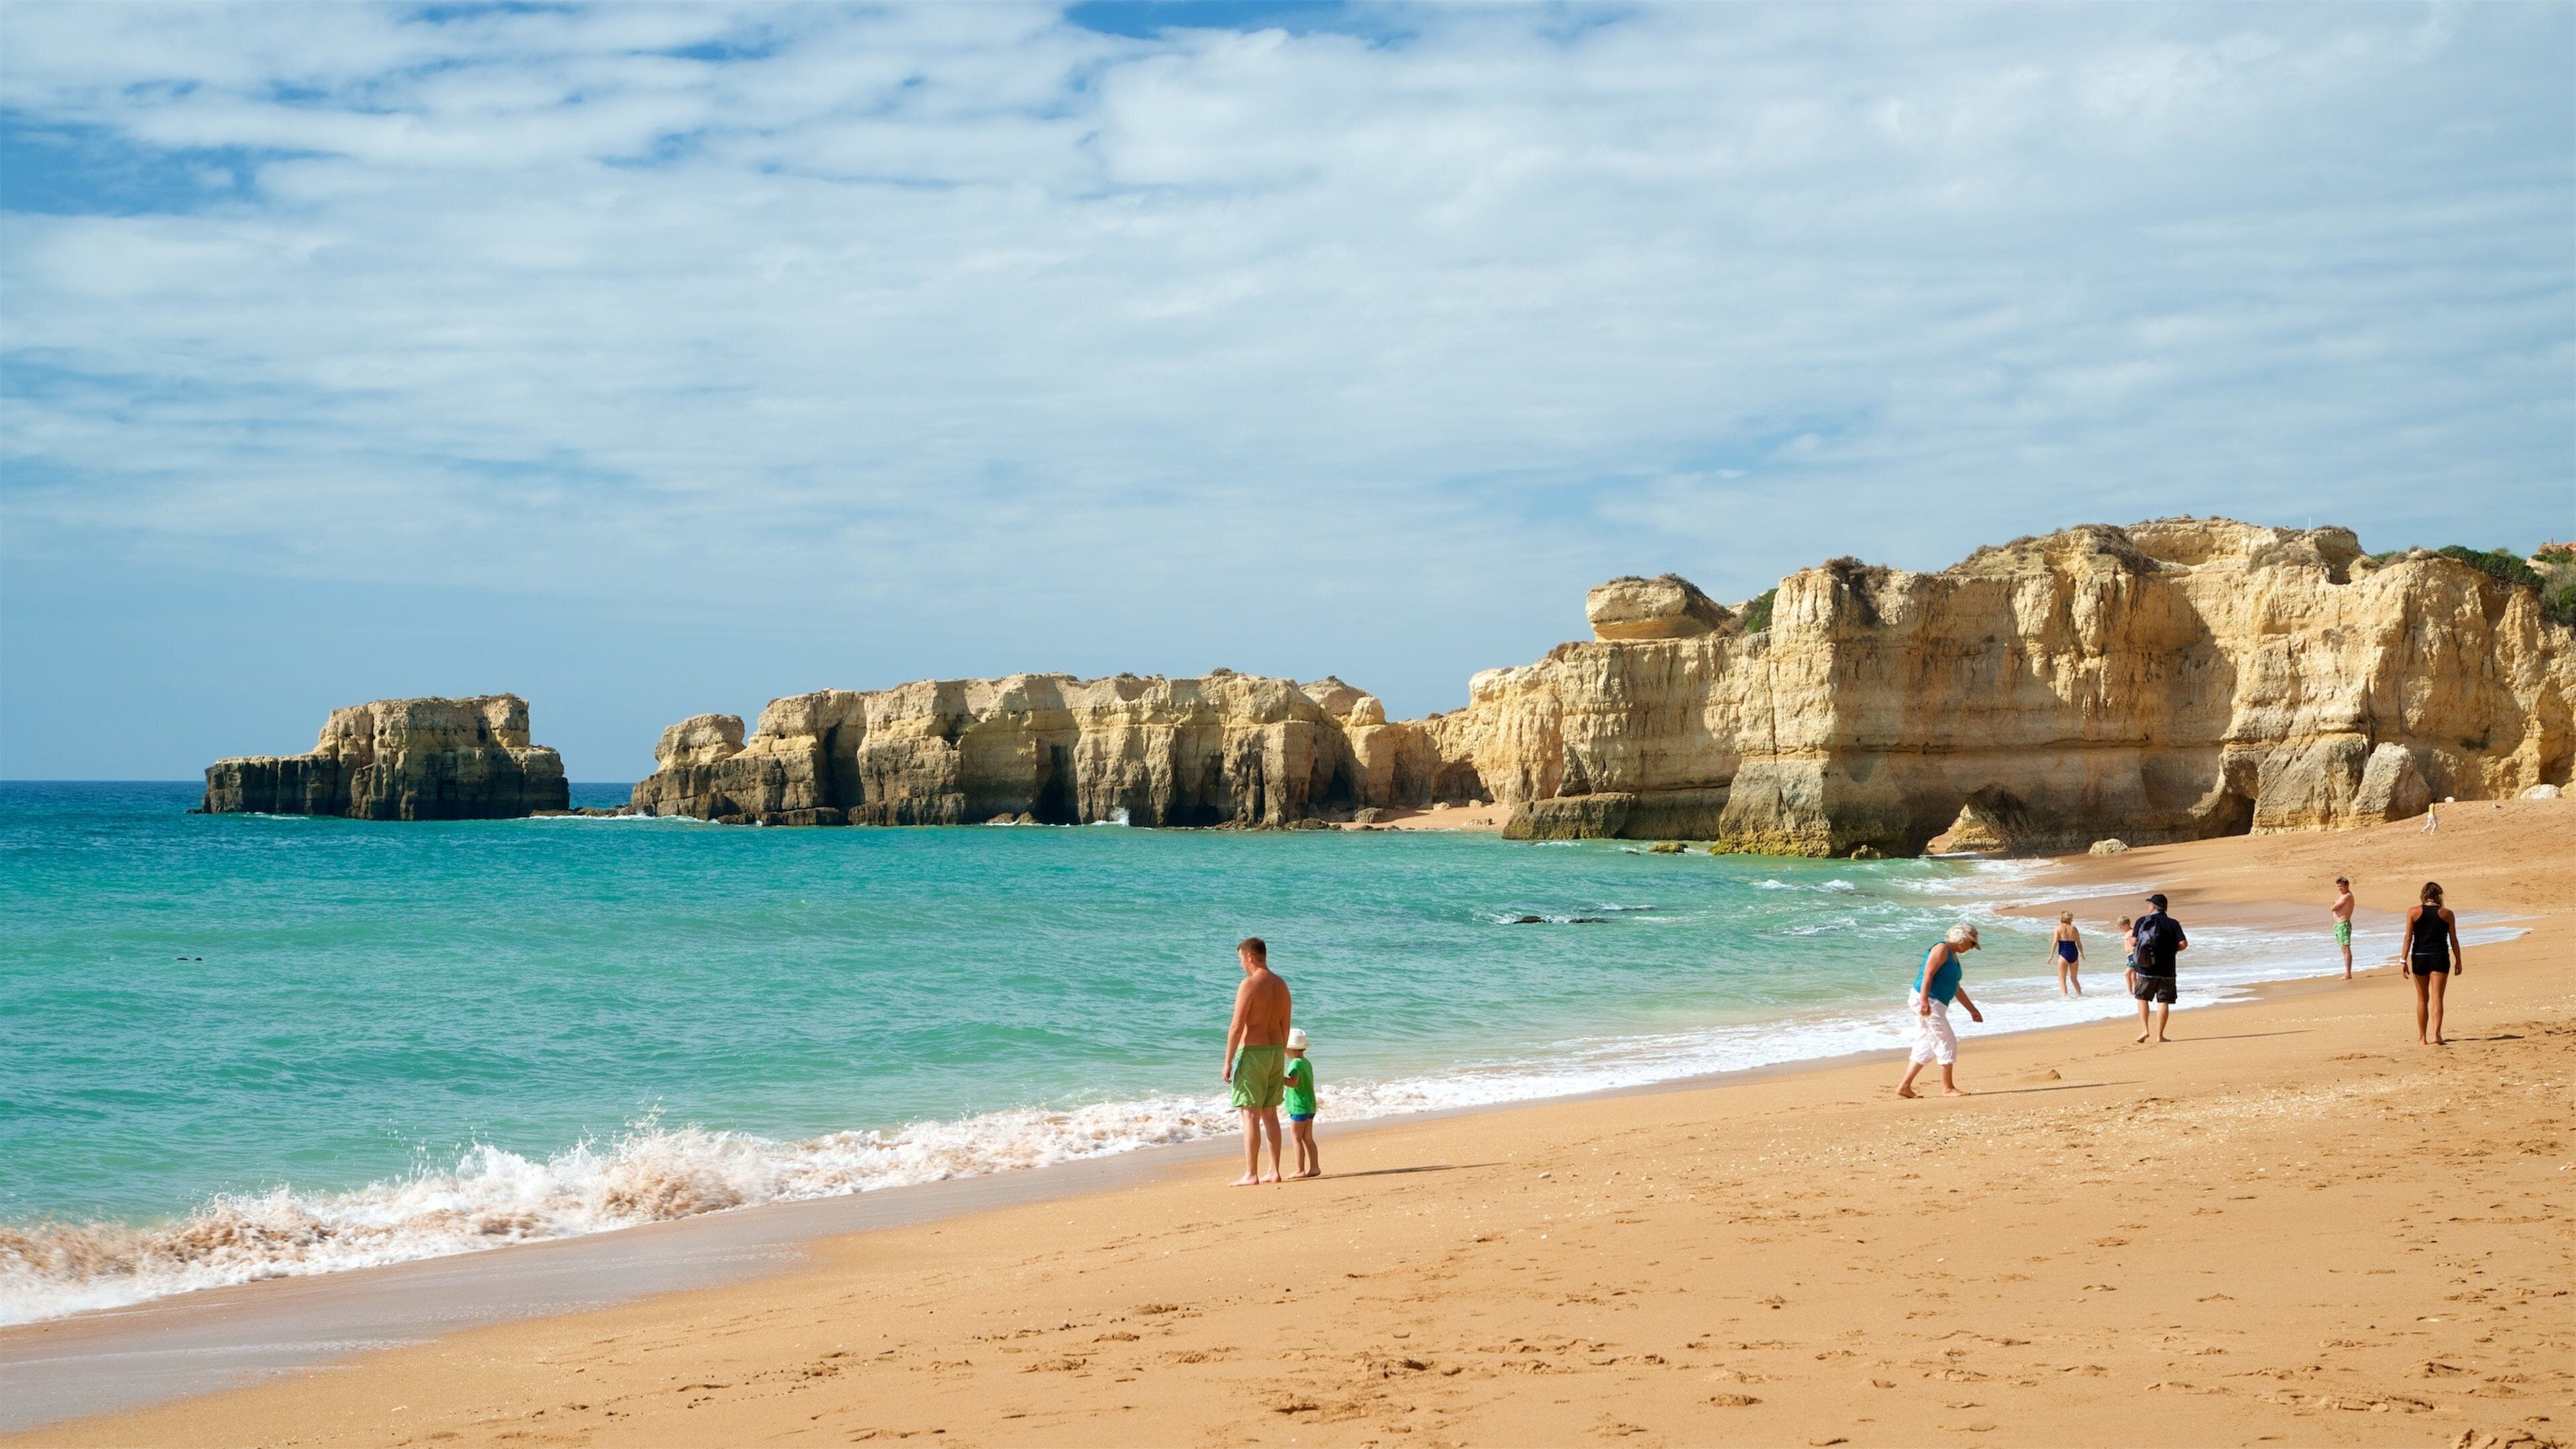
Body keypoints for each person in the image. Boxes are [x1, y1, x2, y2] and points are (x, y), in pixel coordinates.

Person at [1222, 936, 1293, 1185]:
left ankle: (1251, 1173)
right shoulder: (1281, 985)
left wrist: (1228, 1061)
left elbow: (1236, 1026)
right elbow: (1286, 1025)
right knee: (1270, 1114)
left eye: (1241, 959)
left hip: (1252, 1053)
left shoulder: (1249, 984)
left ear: (1250, 957)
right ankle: (1274, 1171)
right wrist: (1279, 1054)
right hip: (1275, 1052)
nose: (1241, 964)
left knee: (1250, 1115)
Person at [1896, 923, 1984, 1099]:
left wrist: (1972, 1010)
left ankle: (1904, 1087)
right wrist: (1924, 1001)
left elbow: (1956, 987)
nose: (1971, 948)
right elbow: (1928, 974)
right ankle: (1948, 1088)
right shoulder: (1942, 948)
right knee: (1947, 1040)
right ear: (1962, 938)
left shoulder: (1953, 956)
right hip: (1928, 1000)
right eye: (1972, 943)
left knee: (1927, 1045)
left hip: (1935, 1002)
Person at [2402, 881, 2465, 1046]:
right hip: (2440, 957)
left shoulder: (2413, 912)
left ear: (2424, 895)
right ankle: (2437, 1034)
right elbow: (2454, 940)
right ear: (2439, 895)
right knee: (2437, 998)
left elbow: (2408, 938)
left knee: (2422, 999)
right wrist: (2458, 961)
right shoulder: (2447, 914)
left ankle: (2423, 1038)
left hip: (2420, 957)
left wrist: (2403, 960)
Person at [2131, 892, 2187, 1043]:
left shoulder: (2142, 921)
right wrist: (2172, 950)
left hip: (2146, 968)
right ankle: (2160, 1036)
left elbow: (2133, 942)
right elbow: (2183, 944)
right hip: (2168, 969)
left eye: (2150, 904)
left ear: (2154, 906)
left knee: (2142, 998)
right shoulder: (2173, 923)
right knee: (2163, 1001)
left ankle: (2145, 1030)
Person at [1282, 1027, 1320, 1179]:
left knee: (1296, 1138)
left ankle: (1299, 1169)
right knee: (1308, 1138)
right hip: (1310, 1105)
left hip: (1299, 1106)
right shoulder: (1306, 1062)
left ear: (1290, 1049)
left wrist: (1278, 1078)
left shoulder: (1295, 1064)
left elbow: (1294, 1083)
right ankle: (1315, 1167)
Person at [2050, 912, 2084, 996]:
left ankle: (2065, 998)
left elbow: (2055, 942)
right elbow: (2079, 943)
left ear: (2061, 918)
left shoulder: (2058, 928)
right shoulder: (2074, 929)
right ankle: (2081, 996)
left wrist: (2051, 955)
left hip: (2064, 954)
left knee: (2062, 979)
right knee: (2074, 978)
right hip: (2074, 953)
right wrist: (2082, 953)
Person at [2330, 876, 2356, 979]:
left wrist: (2334, 905)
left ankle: (2348, 973)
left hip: (2343, 924)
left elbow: (2333, 907)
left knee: (2346, 948)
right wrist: (2335, 906)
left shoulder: (2347, 896)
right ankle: (2347, 972)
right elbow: (2335, 907)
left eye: (2341, 886)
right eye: (2338, 886)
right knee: (2344, 949)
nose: (2340, 888)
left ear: (2347, 885)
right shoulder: (2342, 896)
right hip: (2339, 925)